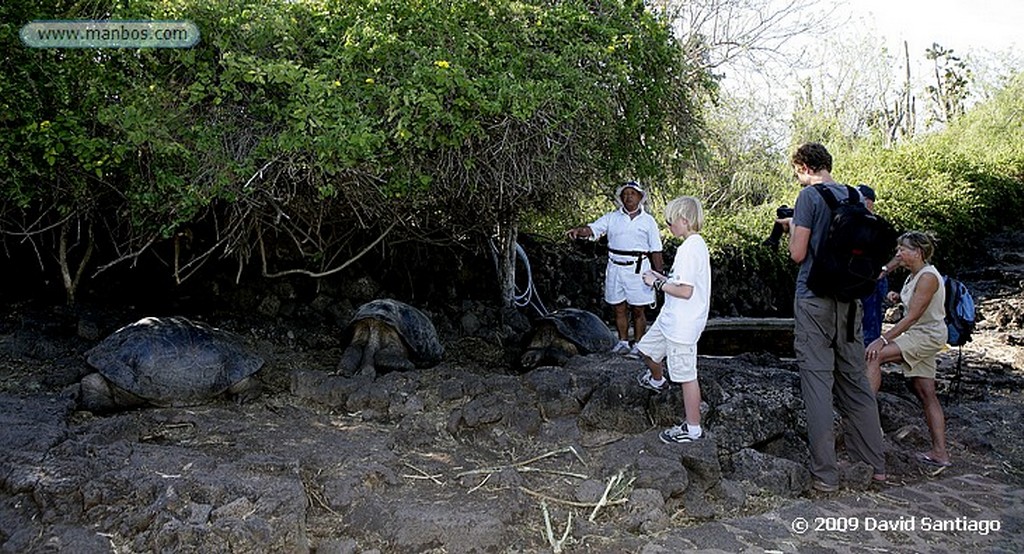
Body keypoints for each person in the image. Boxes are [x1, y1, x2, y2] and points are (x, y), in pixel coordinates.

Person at [784, 143, 886, 491]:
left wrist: (790, 230)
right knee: (856, 383)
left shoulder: (809, 198)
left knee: (817, 384)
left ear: (803, 166)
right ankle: (875, 465)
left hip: (814, 300)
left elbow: (798, 254)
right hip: (851, 301)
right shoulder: (856, 195)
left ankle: (825, 476)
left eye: (796, 170)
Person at [865, 231, 951, 467]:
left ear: (919, 252)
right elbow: (891, 270)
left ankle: (863, 416)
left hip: (925, 335)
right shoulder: (913, 275)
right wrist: (888, 273)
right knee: (926, 391)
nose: (898, 253)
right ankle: (940, 453)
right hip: (922, 334)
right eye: (898, 249)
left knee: (874, 356)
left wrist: (882, 339)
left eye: (903, 249)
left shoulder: (927, 277)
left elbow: (912, 317)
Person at [634, 196, 711, 444]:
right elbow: (680, 281)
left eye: (670, 222)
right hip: (670, 320)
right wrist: (662, 276)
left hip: (682, 326)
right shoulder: (692, 245)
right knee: (645, 350)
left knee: (687, 376)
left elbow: (686, 291)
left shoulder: (691, 248)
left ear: (684, 220)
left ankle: (693, 428)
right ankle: (657, 380)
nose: (668, 227)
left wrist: (656, 282)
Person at [566, 181, 664, 358]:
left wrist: (660, 275)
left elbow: (656, 249)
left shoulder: (648, 221)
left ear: (640, 197)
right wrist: (580, 231)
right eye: (625, 194)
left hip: (638, 268)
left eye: (632, 193)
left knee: (638, 309)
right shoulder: (612, 217)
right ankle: (623, 342)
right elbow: (593, 228)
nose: (628, 197)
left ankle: (639, 344)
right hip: (615, 267)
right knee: (618, 307)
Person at [857, 184, 899, 346]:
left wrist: (884, 270)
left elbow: (899, 252)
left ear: (869, 202)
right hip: (857, 277)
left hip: (873, 279)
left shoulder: (878, 225)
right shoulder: (854, 223)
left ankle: (870, 358)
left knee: (871, 320)